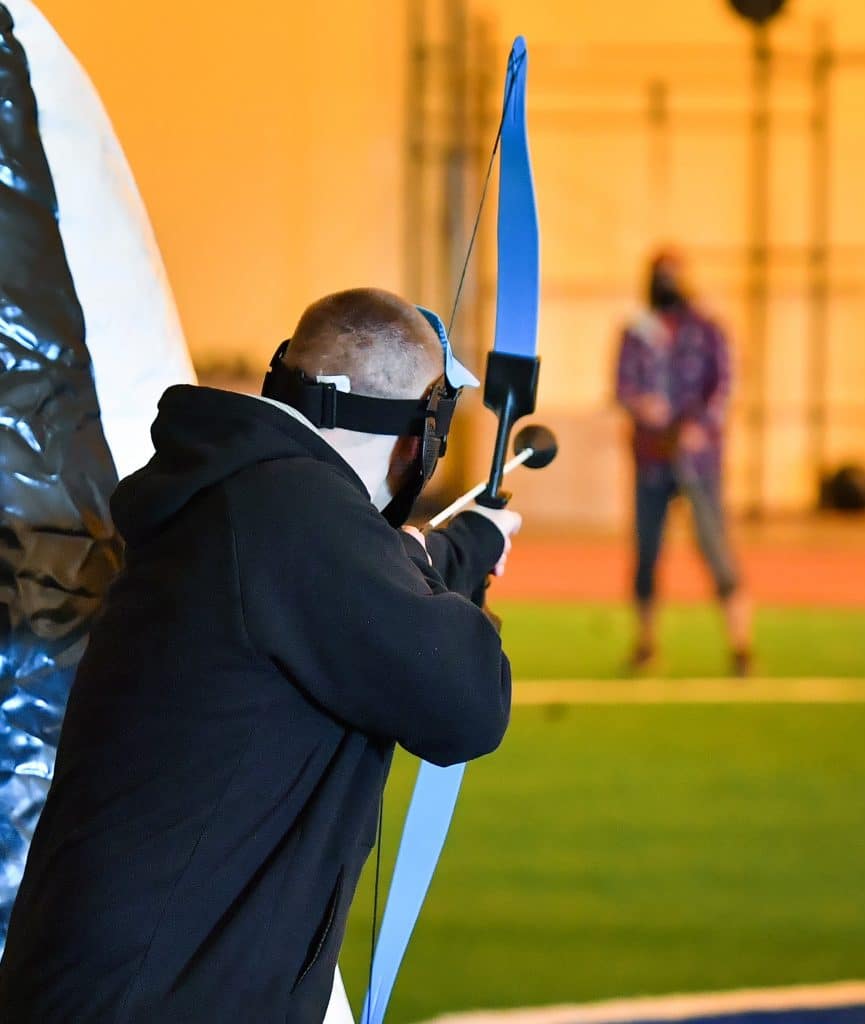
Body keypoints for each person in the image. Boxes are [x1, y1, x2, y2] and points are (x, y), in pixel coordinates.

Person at [0, 288, 520, 1023]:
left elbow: (378, 576)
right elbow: (468, 700)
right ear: (420, 434)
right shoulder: (291, 511)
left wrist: (452, 551)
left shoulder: (244, 494)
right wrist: (438, 567)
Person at [616, 249, 752, 676]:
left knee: (715, 546)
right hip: (651, 458)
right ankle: (646, 643)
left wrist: (698, 428)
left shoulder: (707, 330)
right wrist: (643, 407)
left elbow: (723, 387)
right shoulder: (637, 331)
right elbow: (622, 386)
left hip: (698, 460)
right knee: (647, 551)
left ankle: (740, 645)